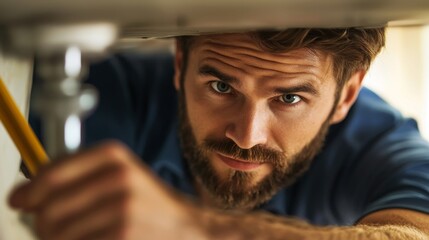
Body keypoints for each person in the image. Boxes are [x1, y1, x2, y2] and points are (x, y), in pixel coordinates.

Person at [9, 28, 429, 239]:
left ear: (346, 95)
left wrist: (191, 228)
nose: (247, 135)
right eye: (222, 87)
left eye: (289, 100)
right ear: (179, 63)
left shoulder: (379, 141)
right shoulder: (105, 89)